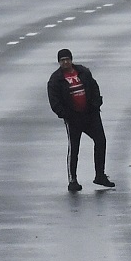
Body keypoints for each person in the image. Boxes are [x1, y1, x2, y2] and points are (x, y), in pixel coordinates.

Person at [47, 48, 115, 192]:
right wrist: (65, 114)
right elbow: (54, 102)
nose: (65, 62)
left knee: (101, 141)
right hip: (73, 118)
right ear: (59, 62)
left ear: (72, 60)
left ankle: (100, 175)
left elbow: (94, 88)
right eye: (62, 60)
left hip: (90, 115)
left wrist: (96, 104)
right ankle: (73, 180)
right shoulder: (55, 80)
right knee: (74, 148)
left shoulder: (83, 72)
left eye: (67, 59)